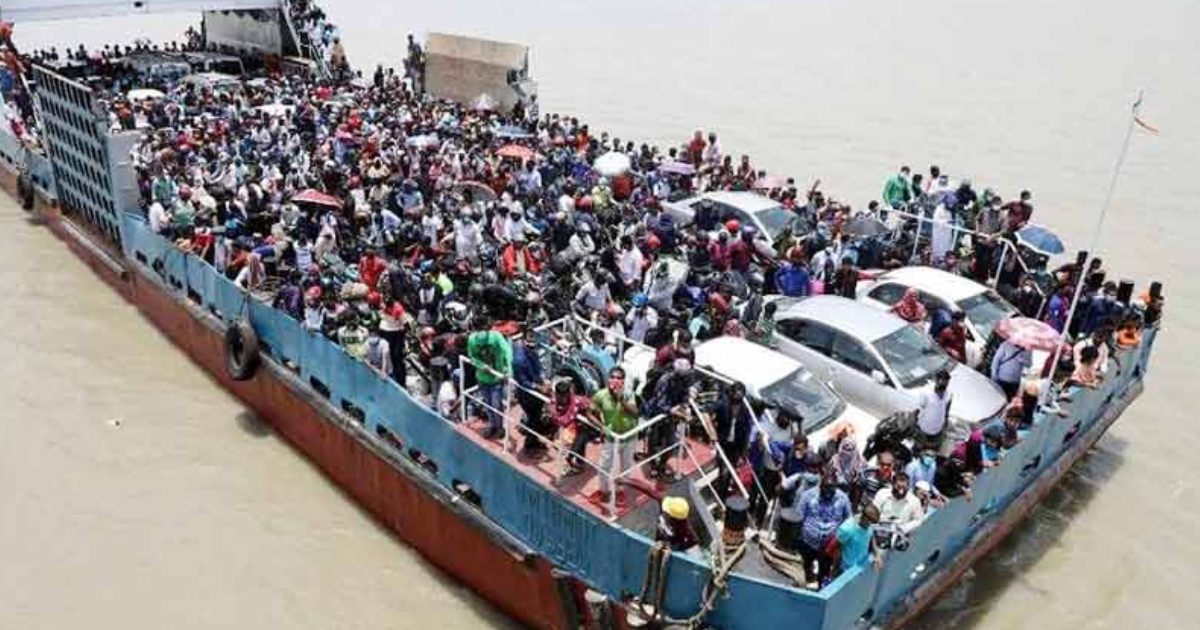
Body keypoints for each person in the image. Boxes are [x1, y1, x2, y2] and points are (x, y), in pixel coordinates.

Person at [590, 367, 640, 509]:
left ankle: (620, 492)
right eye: (613, 377)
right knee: (604, 466)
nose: (616, 381)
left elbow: (635, 413)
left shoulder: (629, 394)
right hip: (611, 438)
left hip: (629, 437)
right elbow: (589, 413)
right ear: (608, 379)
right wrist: (601, 426)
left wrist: (621, 400)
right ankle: (603, 491)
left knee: (626, 467)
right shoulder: (601, 395)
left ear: (623, 381)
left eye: (619, 378)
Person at [795, 470, 853, 587]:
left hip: (829, 546)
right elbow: (798, 517)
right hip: (808, 542)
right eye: (825, 488)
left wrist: (841, 542)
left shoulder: (843, 499)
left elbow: (849, 521)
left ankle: (820, 590)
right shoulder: (808, 495)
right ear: (820, 485)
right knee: (804, 567)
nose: (827, 492)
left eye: (831, 488)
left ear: (836, 487)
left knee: (824, 573)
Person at [467, 316, 513, 440]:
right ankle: (492, 426)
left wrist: (508, 370)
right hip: (482, 378)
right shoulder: (472, 340)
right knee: (488, 404)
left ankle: (500, 428)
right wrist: (481, 366)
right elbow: (472, 357)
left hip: (496, 378)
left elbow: (507, 351)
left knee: (496, 404)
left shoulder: (496, 336)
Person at [712, 381, 754, 500]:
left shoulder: (745, 410)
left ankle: (723, 490)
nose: (737, 398)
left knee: (730, 470)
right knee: (724, 470)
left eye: (740, 396)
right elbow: (707, 410)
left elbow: (746, 431)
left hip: (736, 446)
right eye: (736, 394)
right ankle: (721, 495)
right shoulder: (723, 404)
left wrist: (744, 452)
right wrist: (712, 430)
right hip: (723, 443)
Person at [512, 329, 549, 455]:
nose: (533, 347)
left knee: (537, 417)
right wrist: (538, 387)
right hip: (527, 395)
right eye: (530, 344)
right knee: (534, 418)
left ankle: (533, 440)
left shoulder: (532, 350)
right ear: (523, 341)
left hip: (537, 389)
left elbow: (538, 366)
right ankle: (529, 444)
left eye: (534, 344)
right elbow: (523, 382)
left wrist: (544, 379)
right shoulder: (518, 360)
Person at [911, 370, 953, 454]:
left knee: (931, 453)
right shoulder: (926, 393)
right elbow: (917, 410)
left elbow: (946, 411)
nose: (943, 384)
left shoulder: (949, 394)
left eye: (946, 382)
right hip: (923, 430)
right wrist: (915, 428)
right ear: (936, 380)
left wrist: (944, 427)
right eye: (941, 381)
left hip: (938, 431)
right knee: (917, 451)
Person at [835, 503, 882, 575]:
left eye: (874, 522)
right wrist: (836, 569)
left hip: (861, 566)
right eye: (872, 521)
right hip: (847, 569)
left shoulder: (870, 524)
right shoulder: (847, 528)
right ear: (864, 517)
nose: (872, 524)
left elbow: (871, 537)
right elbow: (838, 550)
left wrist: (877, 555)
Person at [872, 471, 924, 537]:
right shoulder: (882, 493)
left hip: (901, 535)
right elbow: (873, 512)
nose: (900, 492)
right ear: (892, 484)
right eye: (898, 487)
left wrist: (904, 528)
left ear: (908, 487)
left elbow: (919, 521)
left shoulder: (914, 501)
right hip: (880, 530)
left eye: (904, 488)